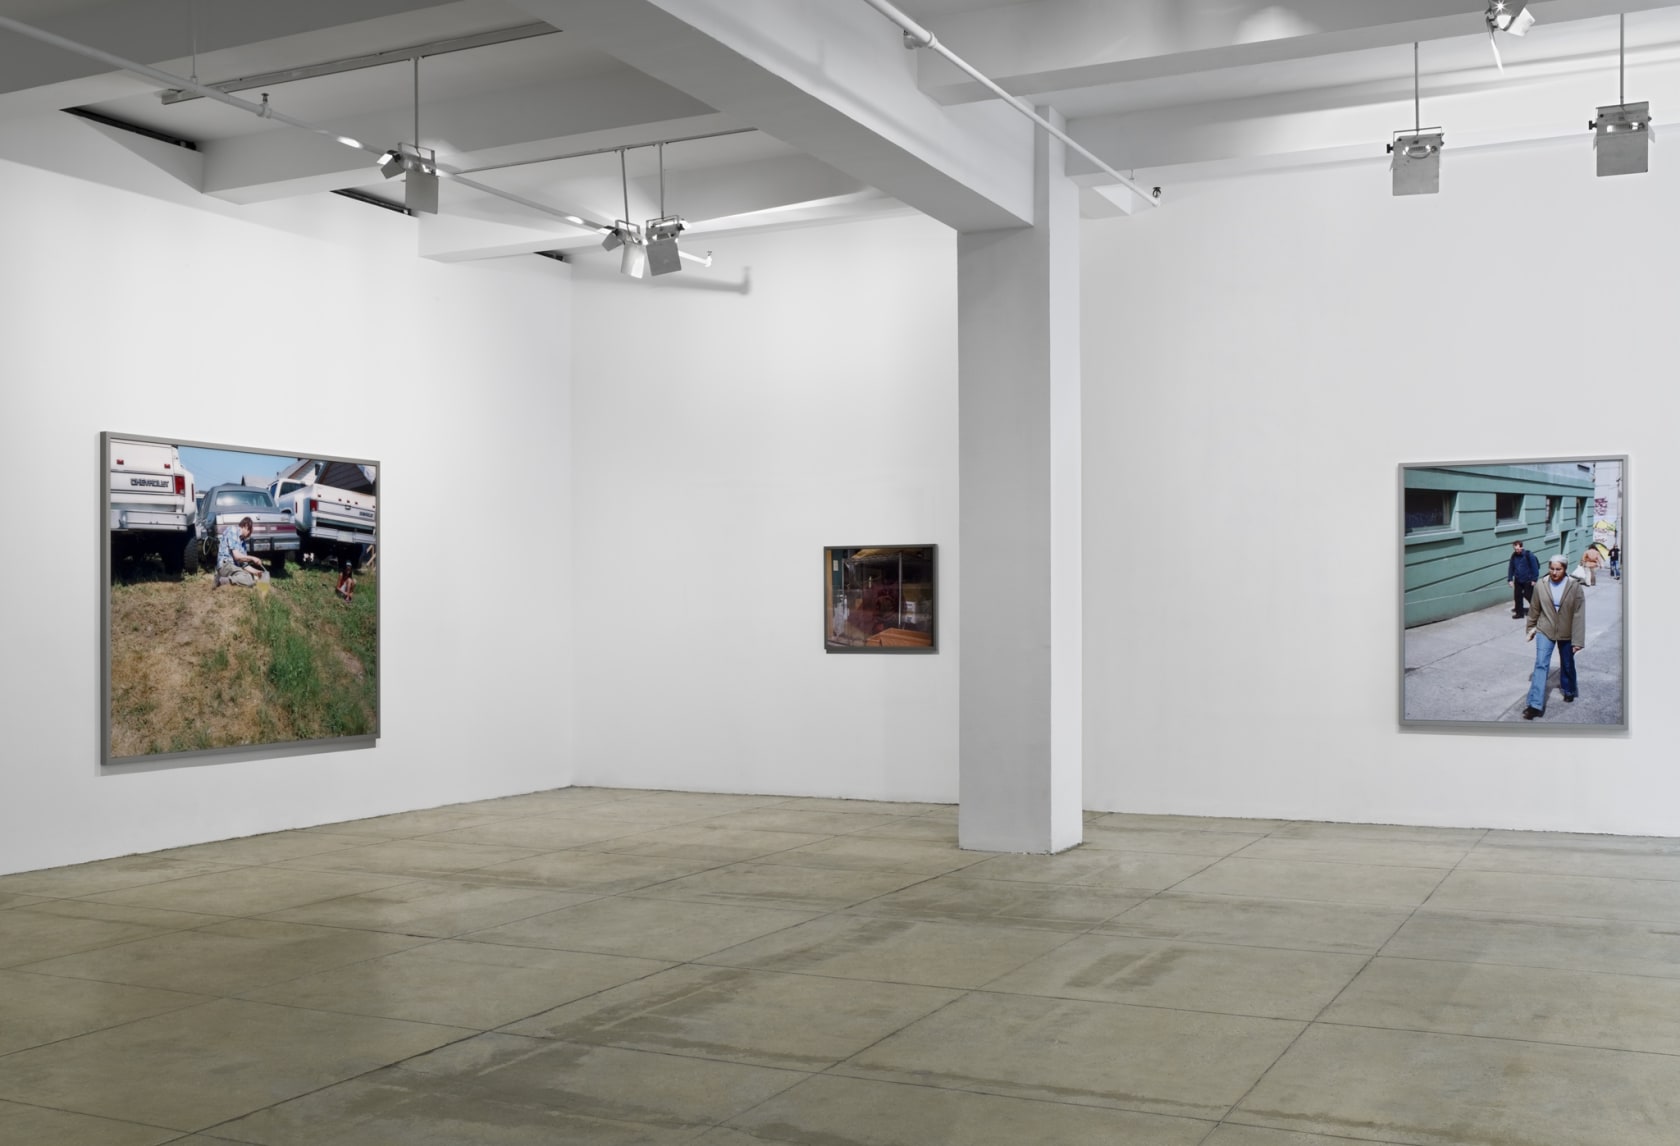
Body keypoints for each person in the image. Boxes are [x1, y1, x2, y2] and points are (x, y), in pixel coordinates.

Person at [1523, 555, 1585, 720]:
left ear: (1565, 569)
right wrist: (1530, 628)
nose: (1554, 572)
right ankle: (1534, 705)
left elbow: (1579, 615)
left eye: (1558, 569)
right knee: (1541, 664)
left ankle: (1569, 689)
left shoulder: (1574, 586)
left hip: (1567, 631)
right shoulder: (1541, 586)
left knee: (1567, 663)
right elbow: (1534, 608)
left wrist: (1578, 640)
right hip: (1545, 629)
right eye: (1552, 569)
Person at [214, 517, 269, 587]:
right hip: (225, 565)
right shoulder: (233, 530)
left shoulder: (243, 542)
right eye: (250, 531)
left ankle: (223, 580)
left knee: (249, 577)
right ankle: (220, 581)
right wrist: (253, 558)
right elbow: (237, 556)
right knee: (248, 578)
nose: (250, 534)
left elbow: (244, 565)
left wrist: (256, 572)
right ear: (245, 526)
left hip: (233, 567)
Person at [1506, 540, 1539, 619]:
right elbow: (1511, 567)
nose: (1517, 551)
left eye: (1518, 549)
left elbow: (1535, 568)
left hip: (1528, 580)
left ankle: (1537, 610)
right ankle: (1519, 613)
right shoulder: (1514, 556)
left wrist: (1534, 579)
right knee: (1517, 596)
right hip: (1518, 579)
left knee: (1528, 595)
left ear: (1521, 547)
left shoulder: (1529, 555)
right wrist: (1510, 579)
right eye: (1515, 549)